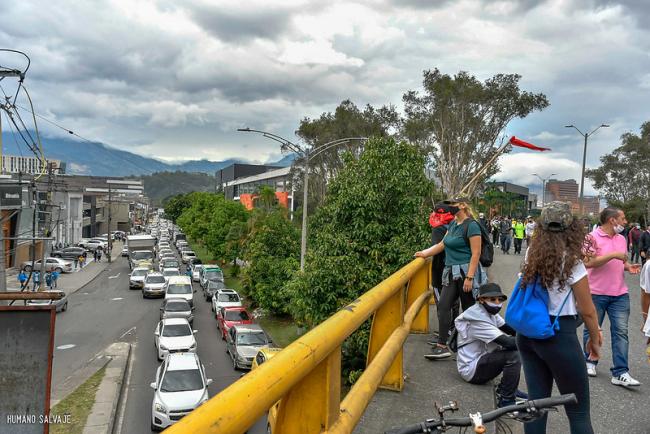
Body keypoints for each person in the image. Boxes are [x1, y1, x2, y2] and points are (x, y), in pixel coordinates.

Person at [517, 201, 601, 434]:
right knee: (578, 413)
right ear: (572, 228)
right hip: (558, 334)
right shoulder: (572, 261)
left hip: (528, 334)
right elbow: (587, 310)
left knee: (536, 405)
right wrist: (594, 340)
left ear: (541, 226)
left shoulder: (531, 253)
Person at [416, 197, 487, 360]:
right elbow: (442, 244)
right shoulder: (454, 224)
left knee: (469, 309)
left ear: (462, 206)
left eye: (453, 205)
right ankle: (443, 345)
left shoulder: (472, 225)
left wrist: (469, 277)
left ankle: (471, 346)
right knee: (443, 305)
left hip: (465, 273)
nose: (450, 208)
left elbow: (476, 253)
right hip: (451, 272)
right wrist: (425, 253)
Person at [583, 207, 641, 386]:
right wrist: (613, 255)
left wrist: (627, 266)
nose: (625, 222)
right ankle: (590, 361)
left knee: (621, 333)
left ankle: (620, 372)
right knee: (592, 330)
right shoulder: (591, 237)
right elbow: (588, 263)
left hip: (620, 293)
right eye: (622, 219)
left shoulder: (622, 239)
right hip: (595, 293)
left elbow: (620, 262)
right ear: (612, 220)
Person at [455, 283, 524, 407]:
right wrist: (534, 342)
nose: (497, 303)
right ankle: (506, 400)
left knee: (516, 348)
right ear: (481, 300)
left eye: (499, 299)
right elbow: (508, 342)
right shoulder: (477, 319)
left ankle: (508, 388)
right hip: (471, 370)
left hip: (482, 359)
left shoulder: (488, 313)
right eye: (492, 299)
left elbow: (510, 329)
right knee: (514, 355)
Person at [426, 203, 459, 347]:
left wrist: (424, 253)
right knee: (454, 303)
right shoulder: (455, 225)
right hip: (456, 271)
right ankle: (452, 331)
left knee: (442, 305)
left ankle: (445, 337)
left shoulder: (439, 229)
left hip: (441, 273)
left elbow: (437, 248)